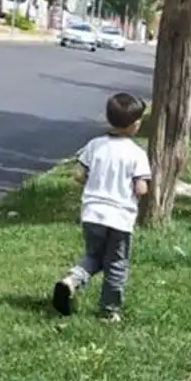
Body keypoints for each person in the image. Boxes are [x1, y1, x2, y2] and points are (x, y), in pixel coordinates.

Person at [52, 93, 152, 323]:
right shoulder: (136, 154)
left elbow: (79, 174)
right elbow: (141, 189)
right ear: (135, 125)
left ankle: (71, 281)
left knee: (94, 255)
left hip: (92, 214)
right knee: (116, 263)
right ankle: (109, 310)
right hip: (119, 218)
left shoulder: (95, 145)